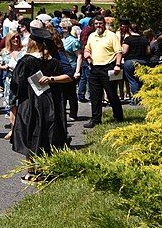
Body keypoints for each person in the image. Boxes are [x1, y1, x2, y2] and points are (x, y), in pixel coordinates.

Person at [11, 28, 71, 181]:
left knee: (30, 135)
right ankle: (46, 170)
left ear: (32, 42)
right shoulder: (54, 60)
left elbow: (17, 84)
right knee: (46, 135)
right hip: (50, 103)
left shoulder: (26, 60)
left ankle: (32, 173)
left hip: (30, 103)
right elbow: (66, 79)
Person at [84, 15, 124, 128]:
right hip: (94, 68)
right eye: (96, 24)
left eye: (100, 23)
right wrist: (86, 53)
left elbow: (119, 52)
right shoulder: (92, 36)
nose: (98, 26)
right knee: (95, 96)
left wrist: (117, 65)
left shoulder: (112, 36)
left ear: (104, 24)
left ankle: (118, 116)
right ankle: (95, 119)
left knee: (111, 94)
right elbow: (87, 48)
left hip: (108, 68)